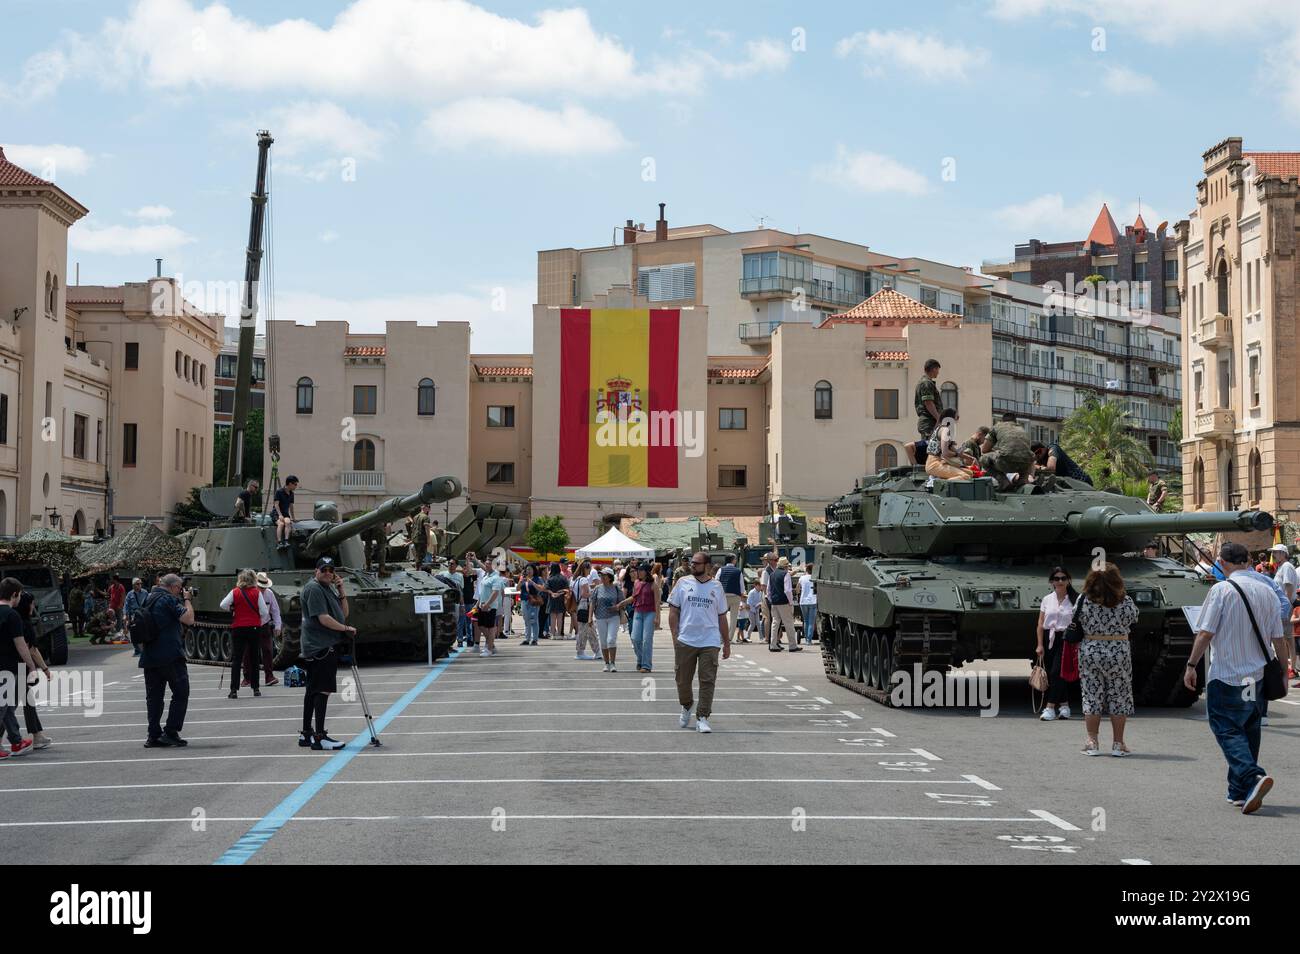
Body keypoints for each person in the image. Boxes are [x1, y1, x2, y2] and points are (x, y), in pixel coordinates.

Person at [1183, 542, 1281, 813]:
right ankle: (1239, 791)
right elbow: (1278, 637)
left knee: (1226, 729)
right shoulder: (1268, 590)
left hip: (1227, 673)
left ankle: (1253, 777)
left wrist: (1191, 665)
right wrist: (1282, 670)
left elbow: (1205, 633)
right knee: (1249, 729)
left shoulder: (1222, 590)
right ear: (1248, 561)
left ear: (1223, 563)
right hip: (1257, 675)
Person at [1076, 563, 1137, 756]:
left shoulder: (1083, 600)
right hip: (1118, 651)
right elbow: (1134, 618)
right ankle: (1118, 744)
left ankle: (1092, 742)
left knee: (1091, 695)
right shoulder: (1124, 600)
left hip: (1091, 650)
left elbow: (1074, 619)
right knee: (1119, 696)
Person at [669, 551, 730, 733]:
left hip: (709, 641)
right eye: (691, 562)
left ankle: (702, 717)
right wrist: (675, 636)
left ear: (707, 566)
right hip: (686, 639)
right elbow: (673, 611)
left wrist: (726, 643)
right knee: (682, 680)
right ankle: (687, 705)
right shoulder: (682, 583)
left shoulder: (716, 587)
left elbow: (721, 617)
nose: (692, 565)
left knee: (707, 680)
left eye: (696, 563)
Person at [298, 557, 354, 750]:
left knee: (312, 690)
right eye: (324, 570)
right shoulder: (314, 589)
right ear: (316, 571)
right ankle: (319, 736)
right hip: (320, 646)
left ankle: (307, 734)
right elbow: (324, 618)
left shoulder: (327, 587)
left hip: (322, 645)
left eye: (331, 570)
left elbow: (343, 613)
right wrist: (345, 628)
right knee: (322, 690)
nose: (328, 573)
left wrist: (341, 590)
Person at [139, 573, 194, 749]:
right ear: (172, 587)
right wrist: (187, 600)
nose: (180, 591)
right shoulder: (168, 600)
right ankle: (171, 731)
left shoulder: (147, 598)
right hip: (170, 655)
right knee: (181, 692)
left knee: (154, 698)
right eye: (179, 588)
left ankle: (153, 735)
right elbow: (189, 619)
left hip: (150, 656)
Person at [1035, 567, 1080, 722]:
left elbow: (1081, 622)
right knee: (1055, 675)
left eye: (1063, 578)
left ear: (1068, 580)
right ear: (1051, 581)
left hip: (1067, 639)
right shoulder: (1047, 599)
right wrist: (1040, 644)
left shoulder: (1076, 599)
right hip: (1050, 638)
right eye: (1056, 578)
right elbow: (1040, 623)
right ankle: (1065, 706)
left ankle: (1050, 707)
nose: (1060, 581)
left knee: (1056, 672)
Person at [0, 578, 37, 758]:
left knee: (6, 706)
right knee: (3, 706)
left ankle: (16, 741)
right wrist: (31, 666)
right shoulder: (12, 615)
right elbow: (21, 644)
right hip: (7, 666)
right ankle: (15, 741)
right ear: (14, 594)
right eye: (20, 594)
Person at [220, 568, 270, 698]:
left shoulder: (235, 592)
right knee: (254, 658)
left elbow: (223, 605)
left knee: (237, 659)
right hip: (254, 627)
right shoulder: (257, 593)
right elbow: (264, 612)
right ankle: (256, 688)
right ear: (254, 579)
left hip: (238, 627)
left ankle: (234, 690)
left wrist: (233, 608)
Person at [15, 592, 52, 749]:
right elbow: (32, 650)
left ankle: (37, 735)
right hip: (18, 667)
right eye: (31, 603)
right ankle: (33, 737)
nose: (33, 606)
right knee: (8, 707)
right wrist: (44, 668)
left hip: (13, 667)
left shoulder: (13, 618)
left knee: (27, 702)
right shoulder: (24, 623)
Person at [242, 572, 281, 687]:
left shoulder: (269, 594)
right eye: (261, 587)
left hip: (264, 625)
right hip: (250, 625)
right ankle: (247, 678)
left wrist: (278, 625)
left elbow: (275, 610)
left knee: (268, 650)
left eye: (265, 587)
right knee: (248, 652)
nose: (263, 589)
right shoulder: (249, 593)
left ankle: (269, 676)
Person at [979, 413, 1034, 491]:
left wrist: (998, 451)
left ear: (1002, 421)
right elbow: (1025, 450)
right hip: (1025, 464)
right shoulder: (1022, 429)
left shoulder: (997, 427)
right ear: (1015, 421)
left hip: (1005, 462)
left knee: (982, 459)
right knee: (1028, 456)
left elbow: (984, 450)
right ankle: (1022, 480)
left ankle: (1004, 481)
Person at [905, 358, 943, 466]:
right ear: (933, 369)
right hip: (929, 421)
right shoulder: (926, 383)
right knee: (929, 447)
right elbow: (928, 403)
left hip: (930, 420)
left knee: (931, 447)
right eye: (937, 369)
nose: (938, 372)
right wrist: (938, 418)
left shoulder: (926, 382)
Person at [1270, 544, 1297, 685]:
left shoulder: (1286, 566)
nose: (1274, 555)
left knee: (1287, 638)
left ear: (1283, 553)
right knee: (1286, 638)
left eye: (1275, 552)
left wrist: (1285, 607)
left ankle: (1292, 667)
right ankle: (1290, 666)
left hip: (1284, 606)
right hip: (1283, 605)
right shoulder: (1283, 566)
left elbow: (1288, 587)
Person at [924, 408, 975, 481]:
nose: (956, 422)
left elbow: (955, 451)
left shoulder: (941, 428)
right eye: (956, 418)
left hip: (938, 462)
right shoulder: (945, 430)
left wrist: (970, 458)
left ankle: (939, 480)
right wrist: (957, 454)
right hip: (934, 464)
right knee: (965, 476)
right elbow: (945, 453)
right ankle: (939, 484)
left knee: (970, 473)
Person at [592, 567, 624, 671]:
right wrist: (589, 618)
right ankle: (606, 663)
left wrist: (617, 607)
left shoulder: (616, 588)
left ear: (610, 577)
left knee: (611, 640)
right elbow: (592, 603)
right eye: (601, 575)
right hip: (600, 617)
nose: (602, 577)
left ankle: (613, 663)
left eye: (604, 575)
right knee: (603, 642)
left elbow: (622, 602)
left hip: (613, 617)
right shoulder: (597, 588)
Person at [628, 563, 658, 672]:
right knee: (635, 638)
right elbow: (633, 597)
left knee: (647, 640)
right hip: (637, 612)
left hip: (650, 613)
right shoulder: (636, 582)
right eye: (638, 570)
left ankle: (646, 665)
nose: (638, 572)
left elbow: (657, 602)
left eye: (641, 570)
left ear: (647, 571)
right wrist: (621, 603)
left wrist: (657, 618)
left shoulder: (653, 584)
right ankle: (640, 659)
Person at [767, 556, 799, 652]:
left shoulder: (772, 574)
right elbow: (788, 590)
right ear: (785, 566)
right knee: (789, 624)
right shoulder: (786, 574)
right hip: (784, 602)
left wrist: (771, 600)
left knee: (775, 623)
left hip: (774, 602)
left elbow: (768, 591)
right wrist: (790, 602)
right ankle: (792, 645)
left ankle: (773, 645)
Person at [476, 561, 505, 657]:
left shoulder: (496, 577)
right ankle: (491, 644)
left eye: (488, 564)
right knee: (481, 625)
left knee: (490, 627)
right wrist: (478, 604)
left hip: (490, 607)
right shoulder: (486, 576)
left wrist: (488, 604)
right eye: (486, 563)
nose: (486, 565)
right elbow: (482, 592)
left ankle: (489, 649)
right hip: (482, 605)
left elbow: (495, 592)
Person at [717, 555, 744, 639]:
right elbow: (741, 585)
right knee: (733, 618)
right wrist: (742, 593)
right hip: (735, 596)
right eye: (735, 559)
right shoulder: (738, 571)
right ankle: (730, 637)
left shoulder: (721, 569)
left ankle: (722, 637)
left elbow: (716, 582)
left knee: (722, 616)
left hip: (724, 596)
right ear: (733, 560)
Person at [123, 577, 147, 657]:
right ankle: (137, 650)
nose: (139, 585)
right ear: (133, 585)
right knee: (133, 633)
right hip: (133, 615)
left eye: (140, 583)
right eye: (137, 584)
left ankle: (143, 650)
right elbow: (126, 605)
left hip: (142, 615)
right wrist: (125, 615)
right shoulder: (130, 594)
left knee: (143, 633)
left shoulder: (145, 592)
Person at [273, 476, 298, 550]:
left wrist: (293, 518)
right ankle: (279, 542)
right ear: (290, 484)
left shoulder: (291, 494)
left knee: (287, 522)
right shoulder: (279, 492)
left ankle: (286, 541)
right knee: (281, 524)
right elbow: (276, 504)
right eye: (295, 484)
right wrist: (280, 515)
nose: (296, 486)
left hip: (285, 513)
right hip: (277, 513)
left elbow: (291, 506)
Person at [521, 564, 543, 646]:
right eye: (527, 569)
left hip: (533, 602)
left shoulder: (537, 579)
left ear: (534, 570)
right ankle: (527, 639)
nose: (528, 571)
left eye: (530, 569)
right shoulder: (523, 579)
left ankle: (534, 639)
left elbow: (541, 588)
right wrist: (520, 582)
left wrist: (532, 582)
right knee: (526, 620)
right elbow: (518, 589)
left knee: (534, 620)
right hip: (524, 600)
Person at [546, 562, 569, 640]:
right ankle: (559, 634)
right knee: (560, 617)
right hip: (561, 599)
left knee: (552, 618)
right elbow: (567, 589)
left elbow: (546, 588)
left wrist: (552, 593)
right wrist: (559, 593)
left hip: (552, 599)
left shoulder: (550, 578)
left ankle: (552, 634)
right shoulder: (563, 578)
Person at [798, 565, 817, 644]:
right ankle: (809, 640)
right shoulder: (815, 578)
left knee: (805, 620)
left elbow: (797, 588)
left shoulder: (802, 578)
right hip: (813, 601)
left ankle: (806, 638)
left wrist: (799, 593)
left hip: (803, 601)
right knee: (811, 622)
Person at [410, 505, 431, 570]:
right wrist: (428, 539)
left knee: (417, 555)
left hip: (415, 538)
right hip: (422, 539)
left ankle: (417, 568)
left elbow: (412, 528)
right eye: (429, 508)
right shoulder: (425, 517)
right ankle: (418, 570)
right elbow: (427, 529)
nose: (429, 510)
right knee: (421, 556)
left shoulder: (415, 517)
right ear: (426, 508)